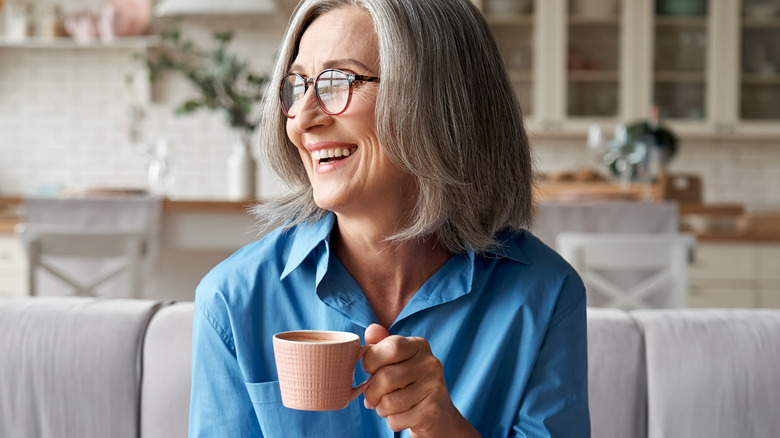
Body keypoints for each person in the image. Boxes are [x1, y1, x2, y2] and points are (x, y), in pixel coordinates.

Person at [188, 0, 590, 436]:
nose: (301, 118)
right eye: (298, 84)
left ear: (441, 100)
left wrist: (443, 427)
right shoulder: (231, 301)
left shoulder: (545, 295)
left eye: (339, 81)